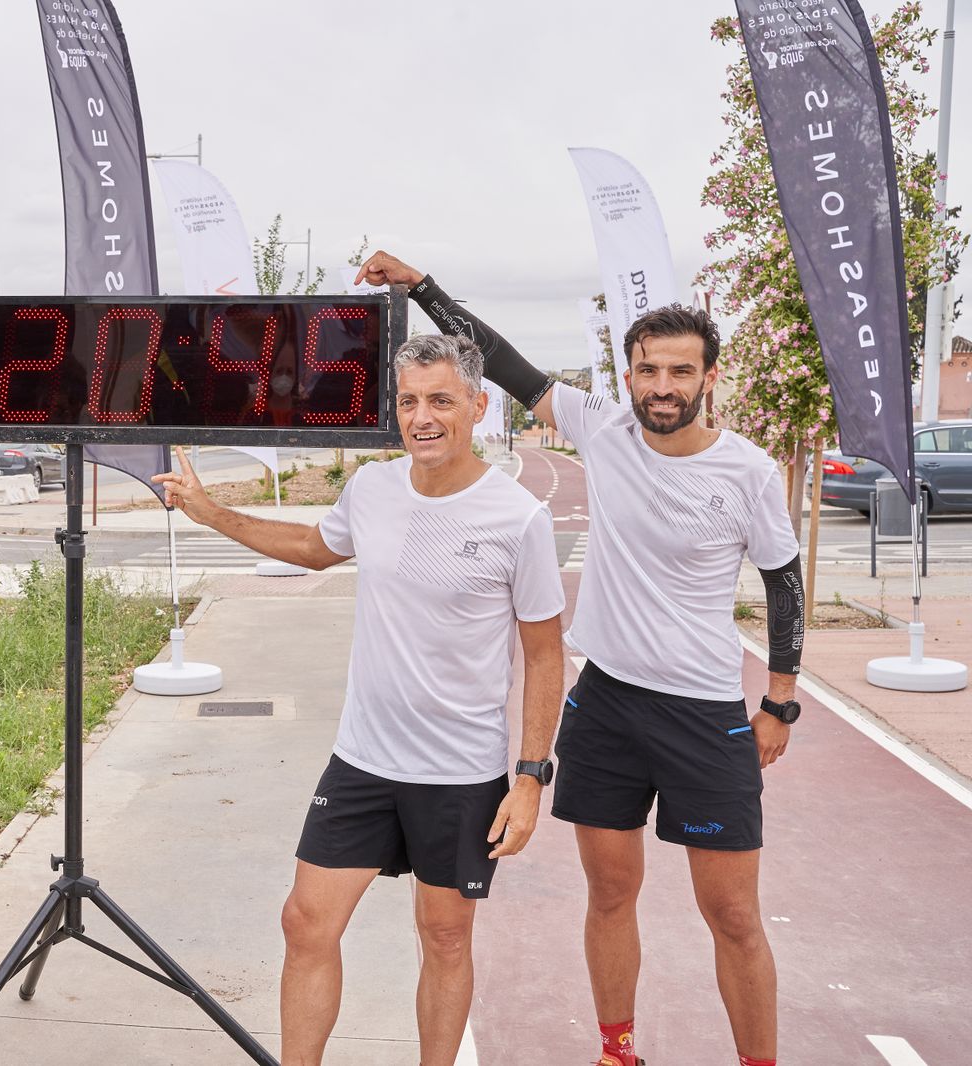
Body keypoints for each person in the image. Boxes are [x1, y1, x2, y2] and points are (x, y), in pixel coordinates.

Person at [357, 251, 805, 1066]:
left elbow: (784, 581)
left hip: (706, 715)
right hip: (605, 708)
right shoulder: (604, 427)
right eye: (646, 370)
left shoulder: (748, 471)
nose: (661, 386)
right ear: (628, 376)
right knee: (610, 892)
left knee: (733, 915)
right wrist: (417, 286)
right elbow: (496, 356)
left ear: (709, 376)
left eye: (679, 370)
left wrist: (779, 699)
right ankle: (618, 1051)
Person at [154, 333, 565, 1066]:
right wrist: (214, 514)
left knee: (444, 937)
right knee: (305, 922)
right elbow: (316, 548)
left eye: (441, 399)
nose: (423, 417)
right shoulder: (372, 489)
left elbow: (543, 655)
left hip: (459, 771)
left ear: (478, 404)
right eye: (409, 401)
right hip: (364, 760)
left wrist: (531, 778)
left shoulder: (518, 519)